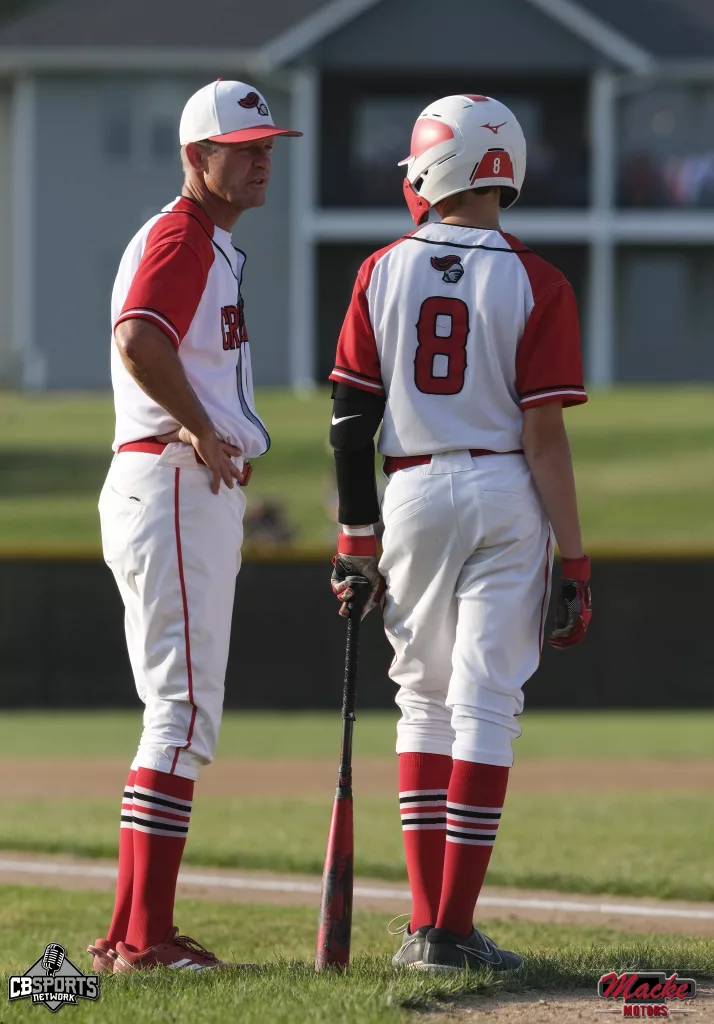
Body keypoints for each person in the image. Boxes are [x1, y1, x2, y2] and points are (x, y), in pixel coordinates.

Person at [328, 94, 591, 972]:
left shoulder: (380, 269)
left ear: (432, 166)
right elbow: (544, 435)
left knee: (424, 701)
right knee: (486, 704)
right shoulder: (540, 280)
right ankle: (452, 928)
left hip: (409, 489)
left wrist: (355, 539)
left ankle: (422, 926)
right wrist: (577, 558)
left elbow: (349, 422)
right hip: (506, 488)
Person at [89, 80, 301, 973]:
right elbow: (140, 338)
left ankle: (130, 935)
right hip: (173, 484)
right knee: (179, 716)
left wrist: (197, 425)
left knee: (172, 714)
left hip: (169, 483)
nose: (261, 161)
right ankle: (146, 940)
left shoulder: (198, 239)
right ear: (195, 156)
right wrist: (201, 425)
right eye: (242, 149)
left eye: (266, 147)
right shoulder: (181, 235)